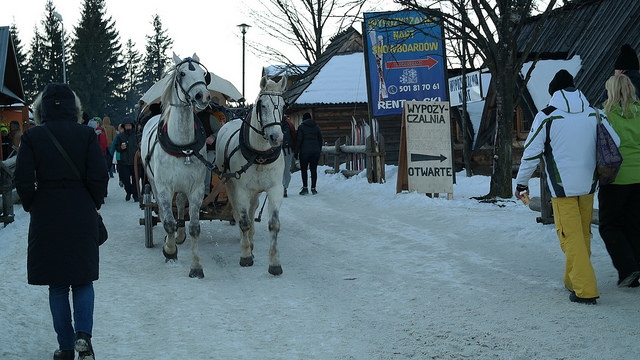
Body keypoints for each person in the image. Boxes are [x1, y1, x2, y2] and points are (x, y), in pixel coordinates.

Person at [13, 83, 108, 360]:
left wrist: (33, 204)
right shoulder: (87, 135)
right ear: (74, 109)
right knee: (82, 280)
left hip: (46, 214)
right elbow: (99, 175)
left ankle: (66, 347)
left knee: (57, 285)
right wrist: (92, 201)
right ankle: (84, 339)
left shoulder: (32, 138)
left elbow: (22, 178)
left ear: (41, 110)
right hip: (81, 210)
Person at [514, 70, 610, 305]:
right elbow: (614, 142)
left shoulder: (546, 116)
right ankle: (572, 279)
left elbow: (531, 154)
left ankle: (585, 289)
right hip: (589, 185)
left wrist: (521, 182)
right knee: (583, 233)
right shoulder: (594, 113)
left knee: (569, 235)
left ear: (553, 93)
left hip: (562, 187)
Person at [598, 74, 640, 288]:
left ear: (611, 91)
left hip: (615, 177)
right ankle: (636, 267)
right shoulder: (639, 112)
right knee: (633, 224)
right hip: (639, 177)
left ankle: (628, 269)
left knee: (609, 225)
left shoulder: (605, 116)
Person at [198, 103, 226, 197]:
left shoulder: (210, 118)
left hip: (210, 150)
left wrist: (212, 137)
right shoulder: (190, 118)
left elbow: (220, 130)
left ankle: (205, 193)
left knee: (207, 165)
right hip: (195, 151)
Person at [295, 112, 323, 195]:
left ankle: (305, 188)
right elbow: (320, 139)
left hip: (304, 152)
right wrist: (318, 149)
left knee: (304, 170)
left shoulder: (301, 127)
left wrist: (296, 152)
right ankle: (313, 188)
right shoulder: (316, 127)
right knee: (313, 170)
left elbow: (299, 140)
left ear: (303, 119)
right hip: (315, 152)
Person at [114, 118, 139, 202]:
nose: (128, 127)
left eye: (129, 125)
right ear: (124, 126)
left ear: (132, 126)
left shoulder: (137, 135)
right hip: (124, 162)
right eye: (126, 125)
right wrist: (120, 147)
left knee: (136, 180)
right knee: (125, 180)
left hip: (135, 161)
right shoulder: (120, 136)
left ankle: (135, 195)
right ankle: (128, 191)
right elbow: (116, 147)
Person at [281, 115, 296, 197]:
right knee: (286, 169)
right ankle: (284, 187)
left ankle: (283, 187)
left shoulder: (287, 125)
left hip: (282, 150)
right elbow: (294, 136)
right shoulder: (290, 124)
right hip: (288, 149)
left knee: (283, 169)